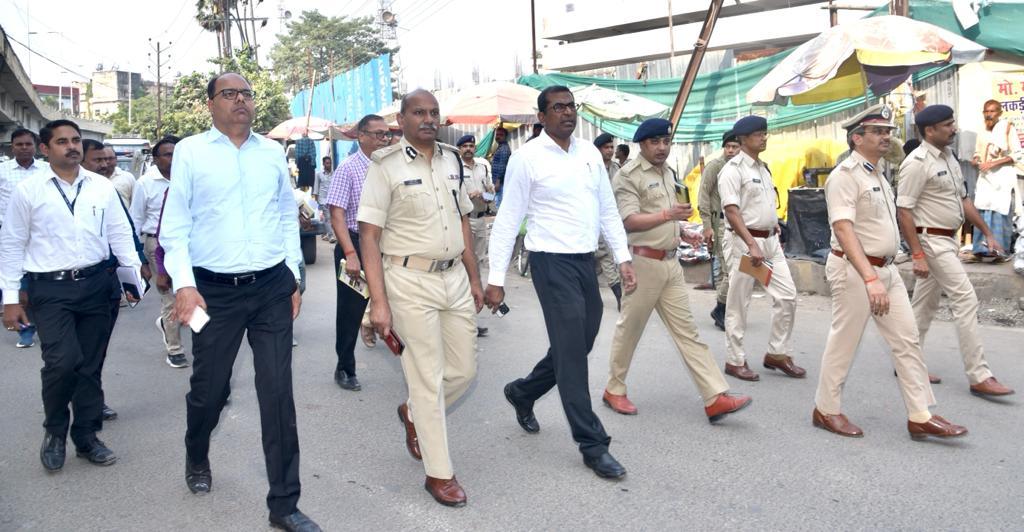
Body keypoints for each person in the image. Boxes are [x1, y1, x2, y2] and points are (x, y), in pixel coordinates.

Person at [160, 73, 319, 532]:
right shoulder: (191, 151)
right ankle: (197, 450)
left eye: (246, 94)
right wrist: (186, 286)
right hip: (212, 292)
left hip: (270, 286)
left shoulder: (272, 152)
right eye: (229, 94)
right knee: (211, 390)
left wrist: (293, 274)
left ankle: (284, 505)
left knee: (277, 394)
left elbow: (285, 216)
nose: (240, 101)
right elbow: (175, 227)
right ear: (210, 104)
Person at [486, 85, 637, 481]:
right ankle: (592, 443)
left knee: (581, 342)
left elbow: (606, 209)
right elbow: (507, 218)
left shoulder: (589, 153)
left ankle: (523, 391)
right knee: (572, 353)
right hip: (550, 264)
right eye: (557, 108)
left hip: (584, 262)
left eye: (571, 107)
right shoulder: (526, 158)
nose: (567, 113)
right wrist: (495, 278)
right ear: (541, 117)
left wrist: (623, 257)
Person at [358, 89, 483, 507]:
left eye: (433, 113)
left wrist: (475, 276)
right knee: (426, 377)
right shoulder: (385, 166)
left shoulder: (452, 161)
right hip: (409, 280)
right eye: (419, 113)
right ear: (403, 118)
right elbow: (369, 236)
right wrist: (379, 301)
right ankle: (439, 473)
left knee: (463, 372)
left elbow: (463, 220)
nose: (428, 119)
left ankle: (411, 412)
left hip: (454, 280)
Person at [814, 104, 968, 439]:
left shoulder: (878, 173)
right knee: (845, 342)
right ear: (857, 138)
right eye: (878, 132)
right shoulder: (845, 176)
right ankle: (826, 410)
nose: (886, 136)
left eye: (888, 131)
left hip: (887, 269)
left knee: (907, 339)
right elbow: (843, 229)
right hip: (856, 270)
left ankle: (921, 414)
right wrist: (870, 278)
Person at [0, 119, 141, 471]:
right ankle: (55, 430)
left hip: (97, 285)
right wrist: (10, 298)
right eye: (62, 141)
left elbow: (120, 234)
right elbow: (13, 244)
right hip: (50, 288)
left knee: (90, 366)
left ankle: (87, 436)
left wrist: (133, 279)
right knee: (62, 363)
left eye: (76, 140)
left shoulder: (100, 187)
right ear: (45, 149)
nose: (72, 146)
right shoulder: (29, 191)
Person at [602, 118, 752, 421]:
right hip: (643, 264)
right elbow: (628, 220)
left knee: (689, 332)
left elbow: (669, 216)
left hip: (671, 264)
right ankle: (614, 390)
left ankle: (715, 397)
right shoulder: (628, 176)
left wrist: (682, 229)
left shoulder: (668, 173)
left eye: (666, 141)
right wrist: (668, 214)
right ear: (642, 144)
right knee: (629, 330)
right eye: (655, 142)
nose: (662, 148)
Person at [897, 104, 1014, 397]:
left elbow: (963, 201)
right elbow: (904, 211)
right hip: (931, 242)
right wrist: (917, 254)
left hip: (948, 240)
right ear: (929, 131)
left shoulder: (949, 158)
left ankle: (905, 363)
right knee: (965, 298)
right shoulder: (916, 162)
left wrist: (987, 233)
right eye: (947, 125)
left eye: (953, 123)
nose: (954, 128)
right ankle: (979, 375)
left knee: (924, 306)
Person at [717, 115, 804, 382]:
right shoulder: (733, 170)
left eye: (765, 133)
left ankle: (777, 353)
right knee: (739, 302)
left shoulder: (763, 169)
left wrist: (773, 225)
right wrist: (752, 243)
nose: (764, 137)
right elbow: (731, 211)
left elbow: (762, 205)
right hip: (746, 246)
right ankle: (735, 360)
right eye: (758, 134)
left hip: (769, 243)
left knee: (787, 295)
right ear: (742, 139)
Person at [81, 139, 150, 422]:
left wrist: (139, 264)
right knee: (66, 358)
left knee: (96, 349)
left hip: (107, 280)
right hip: (63, 286)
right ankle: (69, 402)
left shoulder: (108, 188)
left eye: (107, 159)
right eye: (97, 160)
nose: (105, 164)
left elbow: (126, 231)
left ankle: (92, 403)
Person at [325, 114, 390, 391]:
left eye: (386, 135)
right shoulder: (348, 169)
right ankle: (345, 367)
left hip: (386, 245)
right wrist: (350, 253)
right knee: (350, 311)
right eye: (377, 134)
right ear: (361, 135)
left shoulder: (390, 168)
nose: (383, 140)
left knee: (399, 303)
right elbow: (336, 214)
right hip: (354, 245)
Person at [129, 136, 187, 368]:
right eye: (167, 154)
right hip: (157, 245)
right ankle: (174, 349)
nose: (173, 159)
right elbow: (136, 220)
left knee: (191, 292)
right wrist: (139, 258)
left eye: (176, 154)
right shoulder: (145, 183)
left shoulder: (189, 178)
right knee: (170, 297)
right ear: (156, 158)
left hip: (189, 244)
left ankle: (172, 325)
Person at [1, 129, 49, 348]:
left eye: (28, 144)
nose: (24, 148)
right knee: (17, 283)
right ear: (12, 147)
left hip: (42, 235)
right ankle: (26, 330)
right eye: (19, 144)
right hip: (10, 235)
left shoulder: (48, 170)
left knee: (38, 284)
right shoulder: (2, 171)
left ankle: (43, 324)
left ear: (36, 146)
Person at [967, 100, 1022, 261]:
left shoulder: (1008, 128)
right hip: (985, 180)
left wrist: (993, 163)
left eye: (992, 111)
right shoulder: (982, 130)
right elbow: (978, 152)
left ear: (999, 113)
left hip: (1002, 179)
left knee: (999, 213)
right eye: (986, 111)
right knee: (982, 212)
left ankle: (999, 251)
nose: (989, 114)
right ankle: (980, 250)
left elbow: (1016, 155)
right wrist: (976, 160)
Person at [698, 130, 741, 331]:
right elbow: (703, 196)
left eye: (735, 147)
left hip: (743, 225)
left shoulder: (744, 166)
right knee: (728, 270)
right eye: (728, 147)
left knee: (740, 270)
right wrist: (707, 226)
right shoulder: (715, 166)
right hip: (723, 225)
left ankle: (728, 308)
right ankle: (720, 309)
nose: (731, 151)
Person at [592, 132, 623, 310]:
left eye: (612, 147)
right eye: (606, 147)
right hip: (596, 220)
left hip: (613, 219)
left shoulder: (616, 168)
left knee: (609, 256)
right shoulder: (592, 167)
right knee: (604, 256)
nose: (610, 150)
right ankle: (619, 294)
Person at [313, 155, 335, 243]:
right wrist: (316, 198)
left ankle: (324, 232)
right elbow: (316, 186)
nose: (329, 165)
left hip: (333, 199)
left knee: (329, 218)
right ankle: (331, 236)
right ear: (323, 164)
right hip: (323, 199)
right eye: (327, 163)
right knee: (328, 217)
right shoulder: (319, 174)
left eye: (330, 163)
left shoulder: (334, 174)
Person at [489, 126, 511, 207]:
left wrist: (498, 182)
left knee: (499, 205)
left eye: (501, 135)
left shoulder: (504, 149)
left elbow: (503, 166)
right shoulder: (500, 147)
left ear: (505, 137)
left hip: (501, 183)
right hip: (499, 182)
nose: (498, 137)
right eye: (497, 134)